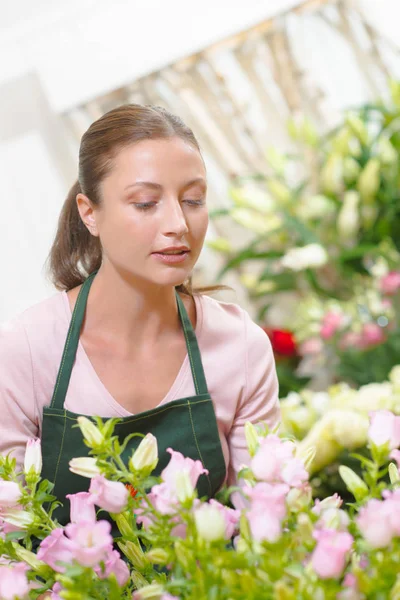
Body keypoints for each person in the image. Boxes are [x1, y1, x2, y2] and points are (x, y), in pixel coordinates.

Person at [0, 104, 279, 526]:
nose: (178, 223)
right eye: (146, 203)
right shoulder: (26, 350)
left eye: (193, 199)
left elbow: (266, 516)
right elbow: (9, 529)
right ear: (89, 212)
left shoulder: (239, 344)